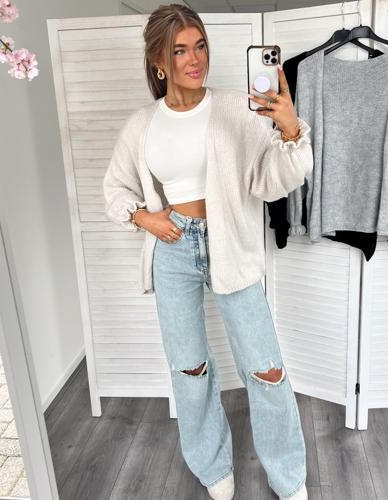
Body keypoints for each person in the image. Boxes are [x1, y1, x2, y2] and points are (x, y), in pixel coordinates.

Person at [103, 4, 313, 499]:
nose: (194, 59)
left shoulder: (237, 109)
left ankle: (288, 476)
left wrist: (289, 130)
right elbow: (114, 189)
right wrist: (145, 217)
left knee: (266, 369)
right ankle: (212, 465)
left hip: (230, 242)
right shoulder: (142, 125)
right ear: (159, 60)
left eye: (200, 46)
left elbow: (269, 181)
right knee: (189, 368)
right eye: (180, 50)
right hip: (173, 247)